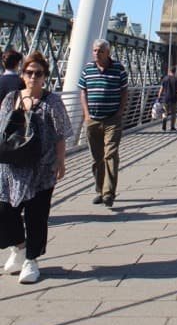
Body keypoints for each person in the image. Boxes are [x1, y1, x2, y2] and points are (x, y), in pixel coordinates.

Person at [0, 50, 72, 284]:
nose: (33, 77)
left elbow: (61, 134)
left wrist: (61, 161)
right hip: (10, 169)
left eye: (38, 73)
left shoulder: (52, 102)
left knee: (36, 216)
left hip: (41, 170)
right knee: (5, 212)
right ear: (22, 74)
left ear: (45, 76)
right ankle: (19, 247)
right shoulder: (11, 99)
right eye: (29, 72)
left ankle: (32, 260)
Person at [78, 39, 128, 208]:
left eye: (100, 51)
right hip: (92, 120)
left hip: (112, 120)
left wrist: (120, 112)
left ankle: (109, 193)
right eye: (94, 50)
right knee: (97, 158)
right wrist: (86, 114)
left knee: (110, 155)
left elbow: (124, 91)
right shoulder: (87, 70)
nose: (96, 53)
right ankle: (99, 190)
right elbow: (83, 92)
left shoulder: (119, 69)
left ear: (108, 52)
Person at [158, 66, 177, 132]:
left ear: (169, 71)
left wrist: (159, 96)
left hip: (166, 98)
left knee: (165, 112)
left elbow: (161, 89)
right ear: (175, 71)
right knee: (173, 113)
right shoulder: (176, 79)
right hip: (173, 98)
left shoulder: (165, 78)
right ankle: (172, 127)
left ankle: (164, 125)